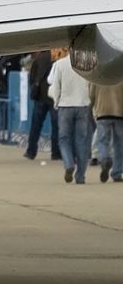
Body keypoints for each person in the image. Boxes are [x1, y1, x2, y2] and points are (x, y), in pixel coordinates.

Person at [49, 48, 92, 184]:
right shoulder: (86, 63)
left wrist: (56, 102)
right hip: (83, 105)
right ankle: (80, 176)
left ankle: (69, 164)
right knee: (82, 141)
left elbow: (56, 86)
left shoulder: (60, 64)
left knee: (64, 138)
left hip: (65, 105)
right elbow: (91, 85)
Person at [24, 49, 61, 161]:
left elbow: (32, 77)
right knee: (56, 127)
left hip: (40, 97)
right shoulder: (59, 58)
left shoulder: (39, 58)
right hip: (54, 97)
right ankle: (56, 153)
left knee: (35, 125)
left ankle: (31, 151)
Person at [90, 79, 123, 183]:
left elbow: (91, 95)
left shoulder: (99, 76)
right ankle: (117, 172)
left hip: (102, 112)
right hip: (119, 113)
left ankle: (105, 160)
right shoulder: (120, 76)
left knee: (103, 141)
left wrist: (90, 107)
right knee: (119, 144)